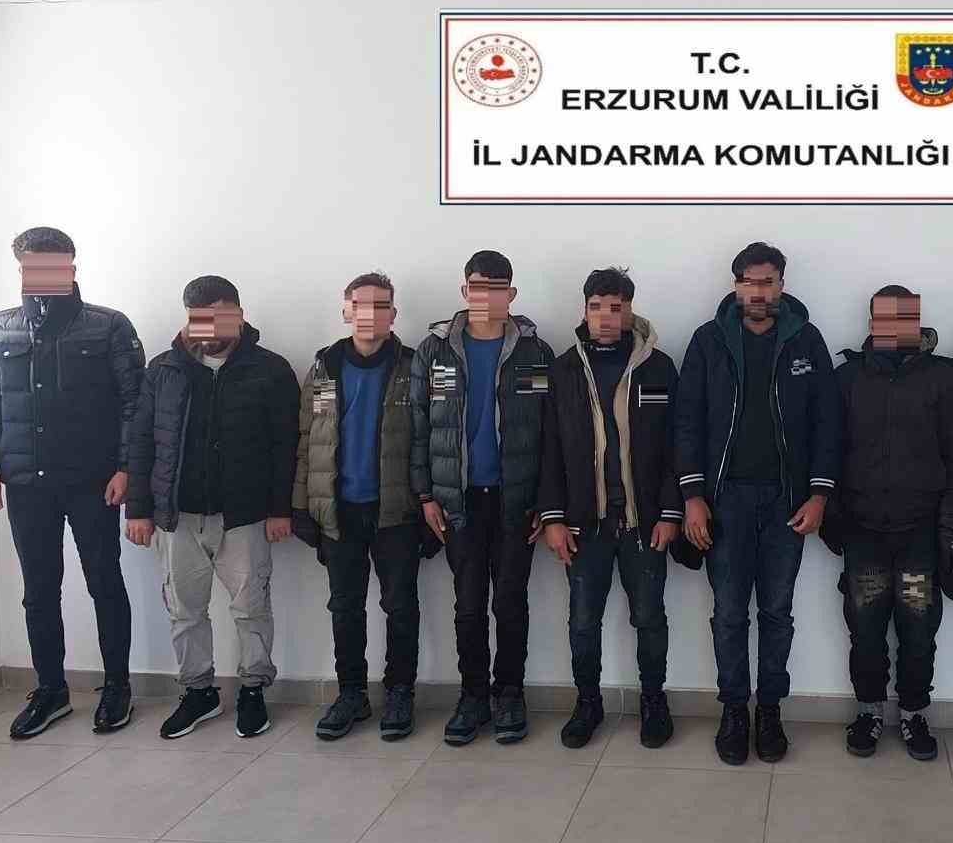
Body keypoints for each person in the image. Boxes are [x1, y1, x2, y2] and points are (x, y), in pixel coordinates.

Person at [0, 226, 144, 738]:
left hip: (93, 480)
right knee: (39, 590)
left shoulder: (108, 326)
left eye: (55, 266)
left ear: (71, 267)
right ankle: (50, 690)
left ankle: (117, 687)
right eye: (34, 267)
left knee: (104, 582)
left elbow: (135, 403)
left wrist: (126, 468)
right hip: (26, 482)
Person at [675, 241, 841, 765]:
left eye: (767, 281)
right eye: (749, 281)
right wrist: (692, 497)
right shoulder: (708, 341)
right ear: (736, 286)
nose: (758, 291)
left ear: (781, 286)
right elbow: (687, 421)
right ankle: (733, 710)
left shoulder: (806, 340)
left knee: (776, 612)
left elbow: (827, 422)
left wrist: (819, 494)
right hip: (724, 501)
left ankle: (769, 710)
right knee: (728, 613)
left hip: (786, 502)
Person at [125, 276, 300, 740]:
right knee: (184, 611)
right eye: (198, 318)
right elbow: (141, 442)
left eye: (218, 316)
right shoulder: (164, 370)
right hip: (177, 516)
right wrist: (137, 509)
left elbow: (287, 446)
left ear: (238, 315)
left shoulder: (271, 370)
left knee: (251, 608)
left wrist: (281, 508)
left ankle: (253, 689)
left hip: (244, 514)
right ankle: (198, 692)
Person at [411, 251, 554, 746]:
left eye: (497, 287)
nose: (487, 296)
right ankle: (473, 695)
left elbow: (546, 431)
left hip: (515, 501)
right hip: (459, 502)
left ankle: (509, 694)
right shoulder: (435, 351)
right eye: (478, 286)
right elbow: (419, 428)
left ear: (511, 294)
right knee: (468, 605)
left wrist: (544, 502)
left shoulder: (533, 352)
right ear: (464, 290)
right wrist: (426, 495)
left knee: (510, 602)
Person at [538, 268, 682, 749]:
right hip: (585, 523)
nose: (605, 316)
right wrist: (553, 517)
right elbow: (549, 449)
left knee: (649, 617)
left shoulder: (658, 367)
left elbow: (675, 447)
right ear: (584, 310)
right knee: (583, 621)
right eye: (596, 307)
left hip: (644, 522)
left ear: (630, 310)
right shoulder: (563, 370)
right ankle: (588, 703)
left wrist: (670, 512)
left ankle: (654, 701)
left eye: (616, 307)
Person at [292, 273, 435, 743]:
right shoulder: (325, 367)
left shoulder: (414, 367)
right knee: (345, 607)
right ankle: (351, 693)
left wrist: (432, 507)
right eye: (360, 304)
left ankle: (400, 693)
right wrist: (302, 506)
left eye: (381, 305)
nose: (369, 313)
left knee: (401, 607)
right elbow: (309, 439)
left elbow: (434, 439)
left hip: (397, 512)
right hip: (339, 512)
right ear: (345, 310)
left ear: (394, 313)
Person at [834, 286, 953, 761]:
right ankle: (869, 711)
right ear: (872, 324)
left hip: (920, 535)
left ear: (917, 323)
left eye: (904, 319)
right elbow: (829, 451)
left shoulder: (944, 379)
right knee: (866, 629)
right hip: (864, 533)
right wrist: (835, 520)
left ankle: (913, 712)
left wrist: (951, 524)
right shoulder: (847, 378)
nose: (894, 328)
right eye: (885, 320)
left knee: (917, 629)